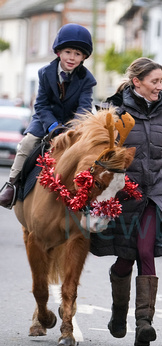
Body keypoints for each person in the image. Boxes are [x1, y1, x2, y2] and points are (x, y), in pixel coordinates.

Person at [90, 57, 162, 346]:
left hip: (154, 192)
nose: (160, 86)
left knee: (145, 250)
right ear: (137, 83)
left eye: (161, 81)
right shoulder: (114, 112)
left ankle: (144, 323)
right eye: (154, 81)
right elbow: (103, 154)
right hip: (123, 193)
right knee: (126, 256)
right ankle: (119, 313)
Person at [0, 23, 96, 208]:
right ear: (59, 52)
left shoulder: (88, 79)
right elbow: (41, 104)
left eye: (77, 54)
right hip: (45, 119)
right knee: (27, 143)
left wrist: (72, 128)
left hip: (72, 124)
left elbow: (84, 108)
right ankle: (12, 184)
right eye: (68, 52)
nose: (72, 58)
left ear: (84, 57)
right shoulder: (45, 73)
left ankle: (86, 192)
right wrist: (52, 125)